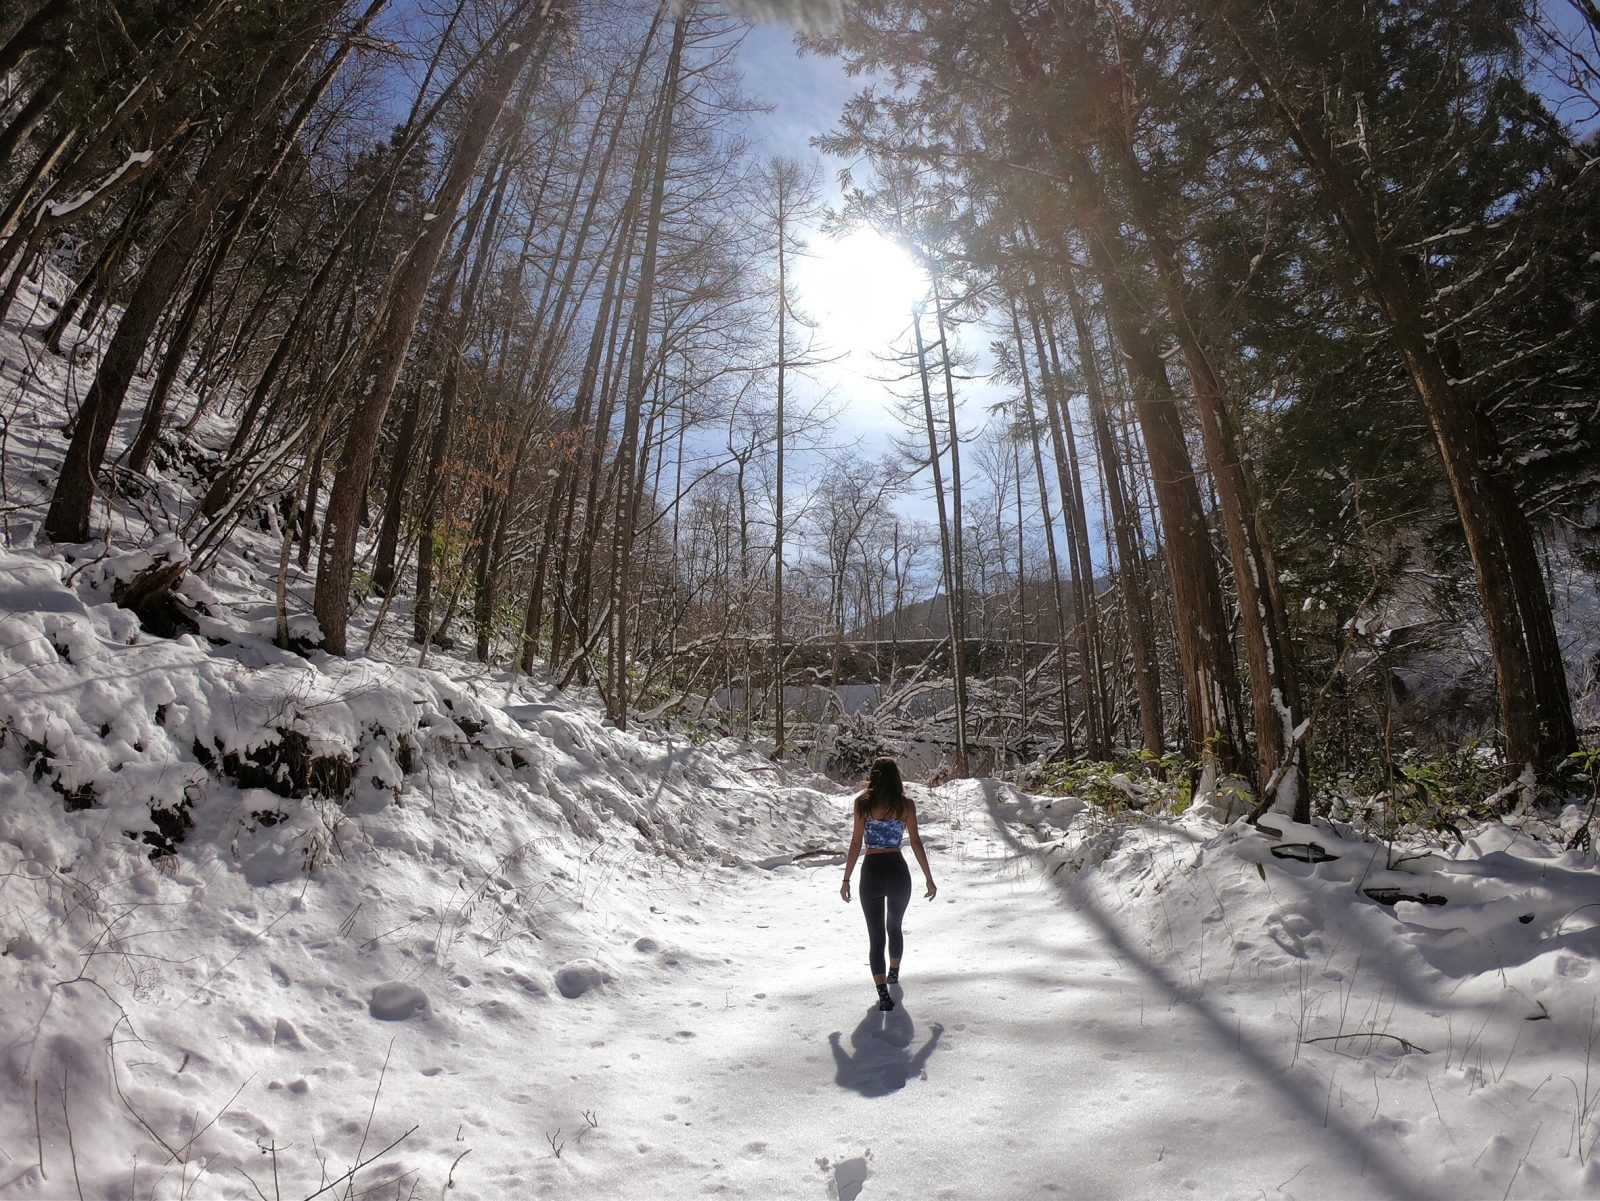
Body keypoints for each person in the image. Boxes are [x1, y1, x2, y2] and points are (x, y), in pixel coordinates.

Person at [839, 756, 936, 1011]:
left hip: (871, 872)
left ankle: (883, 992)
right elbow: (915, 842)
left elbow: (856, 843)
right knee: (894, 926)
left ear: (873, 776)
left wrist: (846, 878)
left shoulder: (862, 804)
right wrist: (928, 877)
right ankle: (893, 972)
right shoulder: (905, 805)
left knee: (875, 936)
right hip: (897, 872)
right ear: (896, 777)